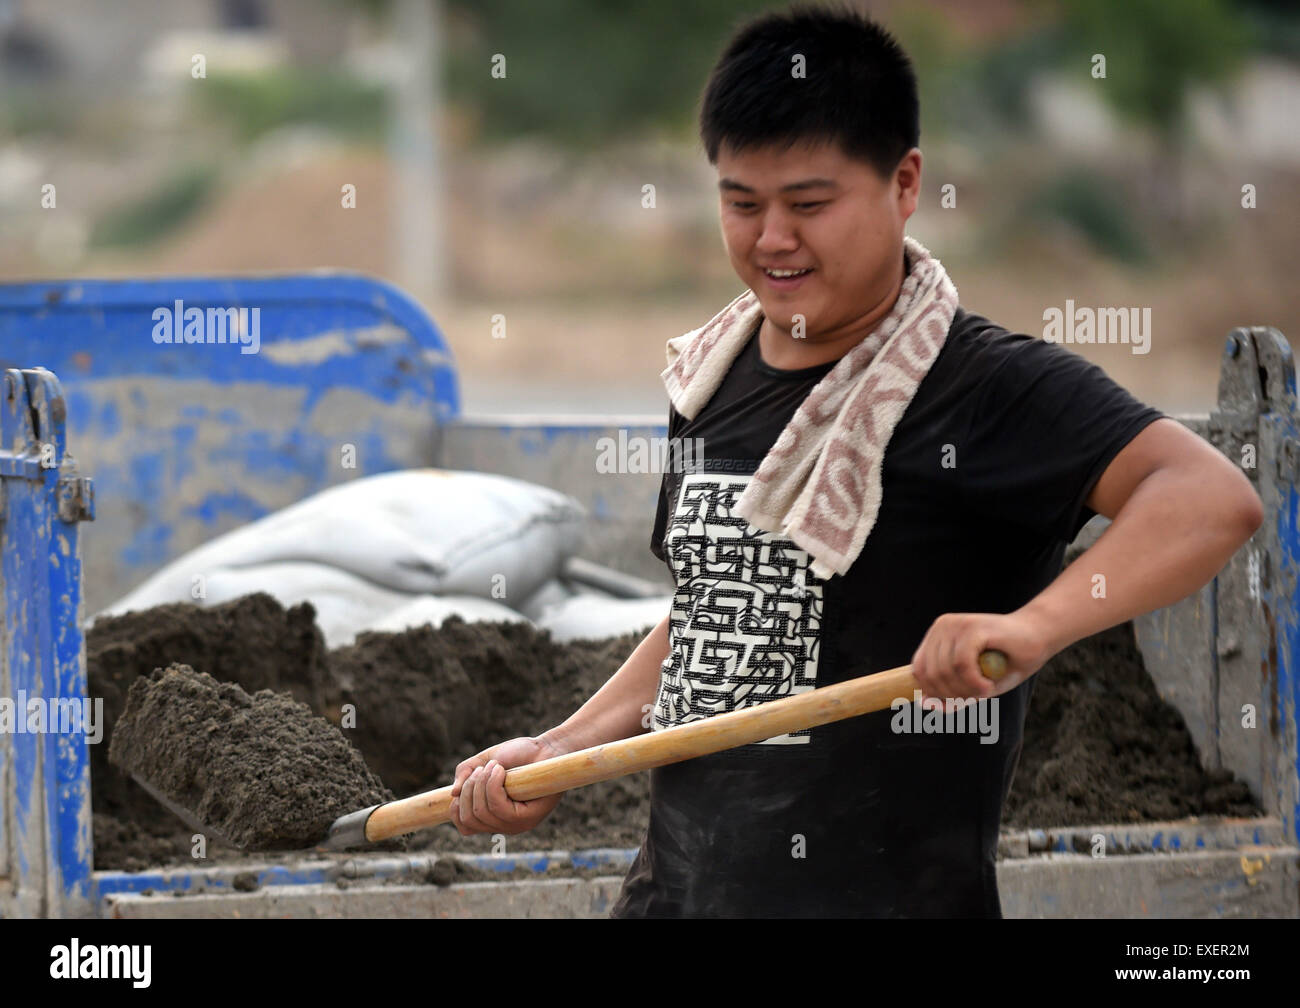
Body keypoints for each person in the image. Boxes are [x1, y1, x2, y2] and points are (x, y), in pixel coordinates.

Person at [448, 4, 1263, 918]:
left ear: (905, 182)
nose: (771, 240)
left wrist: (1035, 627)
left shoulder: (980, 386)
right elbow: (714, 623)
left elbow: (1207, 497)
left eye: (809, 204)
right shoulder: (709, 378)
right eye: (741, 203)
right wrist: (562, 746)